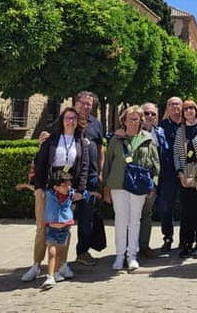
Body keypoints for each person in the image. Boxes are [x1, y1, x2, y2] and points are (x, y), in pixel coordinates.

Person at [22, 107, 89, 283]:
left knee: (64, 228)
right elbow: (41, 164)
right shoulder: (51, 141)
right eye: (67, 118)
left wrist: (80, 191)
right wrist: (38, 188)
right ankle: (36, 265)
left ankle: (61, 265)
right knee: (43, 228)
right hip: (47, 190)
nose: (71, 121)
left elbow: (83, 168)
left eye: (74, 118)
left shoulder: (81, 142)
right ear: (62, 120)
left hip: (67, 191)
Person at [102, 105, 160, 271]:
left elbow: (155, 163)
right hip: (119, 184)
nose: (135, 122)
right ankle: (120, 256)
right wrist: (106, 186)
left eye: (138, 119)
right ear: (124, 121)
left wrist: (153, 184)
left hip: (139, 185)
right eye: (131, 119)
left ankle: (132, 256)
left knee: (135, 220)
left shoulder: (148, 139)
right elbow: (108, 164)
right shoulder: (116, 139)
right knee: (121, 220)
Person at [41, 170, 99, 289]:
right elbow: (36, 190)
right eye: (65, 185)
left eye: (69, 184)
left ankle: (57, 272)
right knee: (52, 251)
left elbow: (82, 195)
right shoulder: (49, 194)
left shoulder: (71, 194)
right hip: (52, 228)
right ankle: (50, 276)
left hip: (65, 228)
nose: (68, 187)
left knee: (60, 252)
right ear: (56, 186)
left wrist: (92, 193)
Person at [173, 99, 197, 258]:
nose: (188, 111)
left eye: (191, 108)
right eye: (186, 109)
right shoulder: (180, 130)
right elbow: (176, 153)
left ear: (196, 110)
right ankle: (186, 243)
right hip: (185, 174)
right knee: (186, 210)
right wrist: (180, 173)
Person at [72, 91, 104, 267]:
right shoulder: (68, 119)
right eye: (83, 103)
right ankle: (56, 256)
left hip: (90, 177)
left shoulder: (96, 123)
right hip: (70, 178)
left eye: (89, 104)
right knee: (62, 218)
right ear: (76, 103)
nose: (85, 106)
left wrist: (100, 172)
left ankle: (82, 252)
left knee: (86, 217)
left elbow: (100, 149)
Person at [139, 102, 169, 257]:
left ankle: (144, 246)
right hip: (135, 180)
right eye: (146, 113)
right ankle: (126, 249)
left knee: (146, 214)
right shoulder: (129, 132)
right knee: (129, 216)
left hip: (153, 180)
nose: (149, 116)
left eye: (153, 114)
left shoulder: (160, 133)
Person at [157, 96, 183, 253]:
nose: (175, 107)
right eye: (172, 104)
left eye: (178, 104)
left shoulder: (187, 125)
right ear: (167, 107)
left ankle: (186, 240)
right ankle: (167, 237)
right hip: (167, 172)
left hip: (186, 172)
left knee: (188, 208)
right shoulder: (161, 127)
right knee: (166, 207)